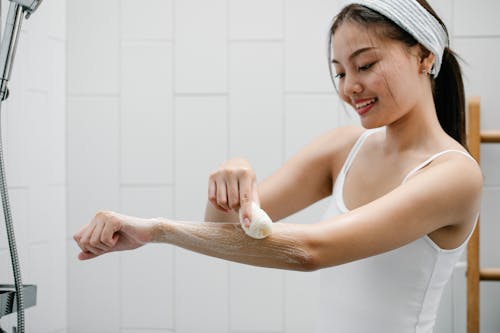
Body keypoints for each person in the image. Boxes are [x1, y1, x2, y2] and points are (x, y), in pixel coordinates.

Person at [73, 0, 483, 331]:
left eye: (365, 64)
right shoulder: (344, 148)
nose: (349, 87)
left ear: (424, 56)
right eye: (340, 72)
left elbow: (309, 251)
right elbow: (221, 232)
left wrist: (157, 229)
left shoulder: (453, 175)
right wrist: (231, 180)